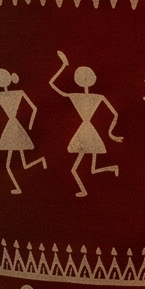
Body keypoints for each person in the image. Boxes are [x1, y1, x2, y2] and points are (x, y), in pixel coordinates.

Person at [49, 54, 121, 197]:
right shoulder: (98, 97)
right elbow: (115, 114)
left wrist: (63, 66)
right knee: (92, 168)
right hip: (90, 133)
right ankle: (112, 168)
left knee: (75, 169)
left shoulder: (76, 96)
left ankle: (84, 189)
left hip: (86, 133)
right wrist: (110, 133)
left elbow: (52, 84)